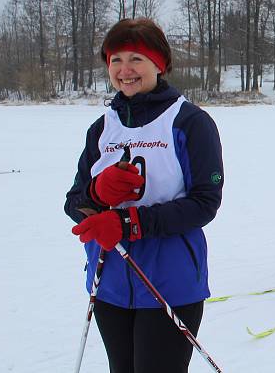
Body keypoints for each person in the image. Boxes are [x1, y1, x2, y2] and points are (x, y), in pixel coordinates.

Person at [65, 18, 223, 373]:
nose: (125, 69)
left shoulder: (189, 122)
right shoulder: (102, 128)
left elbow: (205, 202)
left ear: (158, 64)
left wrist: (129, 222)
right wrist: (97, 192)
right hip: (110, 284)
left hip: (169, 283)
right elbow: (74, 202)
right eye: (115, 59)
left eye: (136, 58)